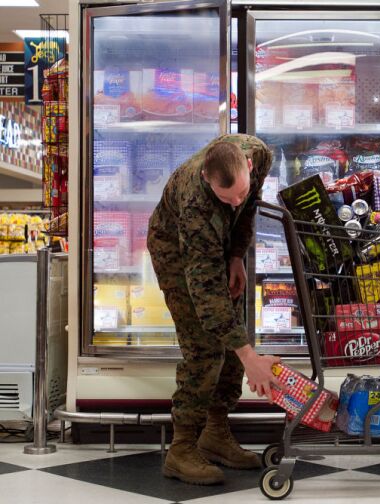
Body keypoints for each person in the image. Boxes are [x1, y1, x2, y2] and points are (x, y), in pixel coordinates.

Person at [147, 134, 279, 485]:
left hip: (219, 245)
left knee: (234, 337)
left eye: (240, 191)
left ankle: (216, 432)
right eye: (227, 197)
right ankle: (182, 448)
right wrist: (252, 358)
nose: (236, 202)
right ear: (207, 178)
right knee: (206, 346)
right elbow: (207, 299)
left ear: (248, 166)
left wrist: (236, 254)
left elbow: (248, 207)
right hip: (176, 252)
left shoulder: (259, 155)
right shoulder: (195, 206)